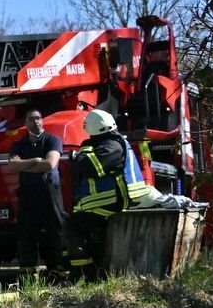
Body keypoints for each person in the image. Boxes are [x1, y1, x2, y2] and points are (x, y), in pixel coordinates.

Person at [65, 107, 157, 281]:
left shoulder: (112, 146)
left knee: (74, 227)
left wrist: (81, 153)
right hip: (105, 203)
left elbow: (89, 167)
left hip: (111, 201)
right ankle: (88, 274)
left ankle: (82, 275)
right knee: (77, 229)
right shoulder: (107, 144)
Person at [0, 108, 66, 281]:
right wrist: (36, 161)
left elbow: (49, 164)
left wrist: (24, 165)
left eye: (38, 118)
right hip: (28, 192)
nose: (36, 121)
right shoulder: (19, 144)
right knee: (27, 232)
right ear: (25, 123)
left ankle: (59, 269)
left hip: (49, 190)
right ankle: (29, 274)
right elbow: (12, 166)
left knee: (56, 229)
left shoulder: (52, 140)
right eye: (31, 119)